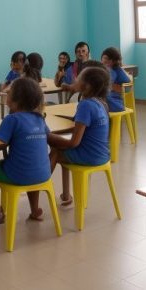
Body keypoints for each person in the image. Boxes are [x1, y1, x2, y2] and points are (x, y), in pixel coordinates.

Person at [0, 78, 51, 230]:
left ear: (16, 99)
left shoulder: (12, 119)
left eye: (9, 92)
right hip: (43, 174)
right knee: (31, 165)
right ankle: (35, 210)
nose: (6, 94)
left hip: (19, 174)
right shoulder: (40, 118)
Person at [46, 65, 111, 206]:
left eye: (79, 78)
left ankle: (38, 186)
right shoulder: (102, 103)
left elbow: (73, 143)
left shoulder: (85, 105)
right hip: (103, 154)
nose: (75, 79)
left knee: (56, 151)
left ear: (87, 86)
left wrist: (48, 136)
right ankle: (66, 195)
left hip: (90, 156)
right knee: (59, 148)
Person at [100, 47, 131, 113]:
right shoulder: (115, 69)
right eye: (104, 58)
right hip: (116, 98)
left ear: (113, 61)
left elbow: (105, 84)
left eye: (108, 59)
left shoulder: (112, 70)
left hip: (115, 101)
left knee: (98, 98)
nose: (105, 61)